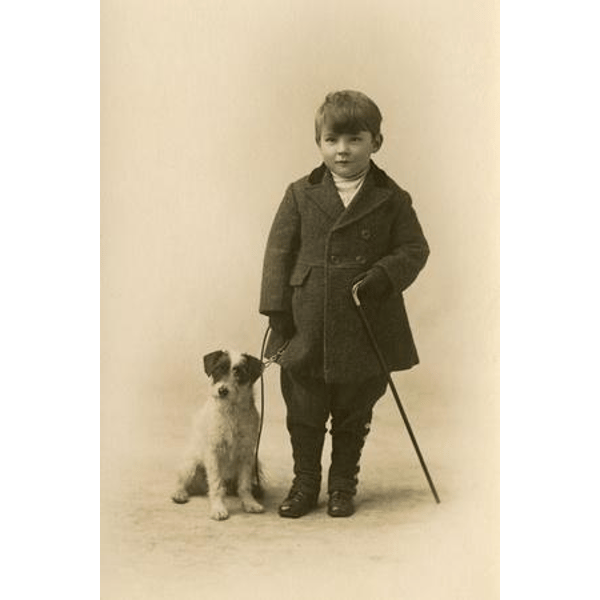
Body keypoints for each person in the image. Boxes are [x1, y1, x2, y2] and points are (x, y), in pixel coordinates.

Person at [259, 90, 429, 518]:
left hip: (365, 322)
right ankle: (305, 484)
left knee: (354, 411)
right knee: (304, 410)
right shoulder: (300, 193)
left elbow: (414, 249)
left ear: (376, 142)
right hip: (307, 322)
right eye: (331, 139)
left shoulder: (392, 197)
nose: (342, 150)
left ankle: (342, 486)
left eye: (355, 139)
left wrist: (382, 275)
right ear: (318, 143)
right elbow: (278, 253)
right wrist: (278, 311)